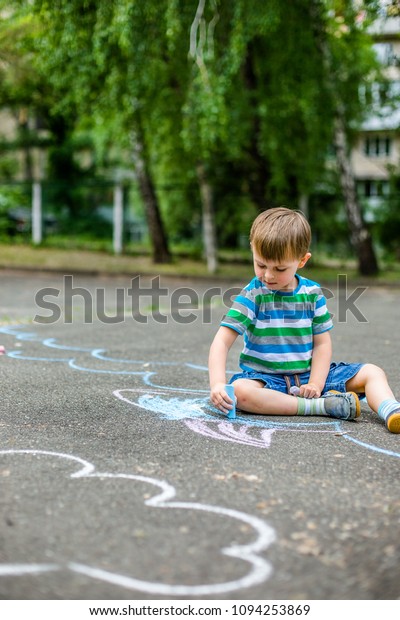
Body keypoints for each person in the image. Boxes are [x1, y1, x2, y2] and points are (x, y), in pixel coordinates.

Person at [209, 206, 400, 433]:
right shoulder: (252, 294)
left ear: (302, 260)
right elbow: (222, 341)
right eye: (261, 265)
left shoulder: (312, 293)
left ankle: (391, 410)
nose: (268, 275)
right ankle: (322, 406)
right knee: (239, 391)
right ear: (252, 250)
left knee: (373, 373)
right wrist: (218, 384)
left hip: (310, 377)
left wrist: (316, 384)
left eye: (279, 268)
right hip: (266, 381)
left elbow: (322, 343)